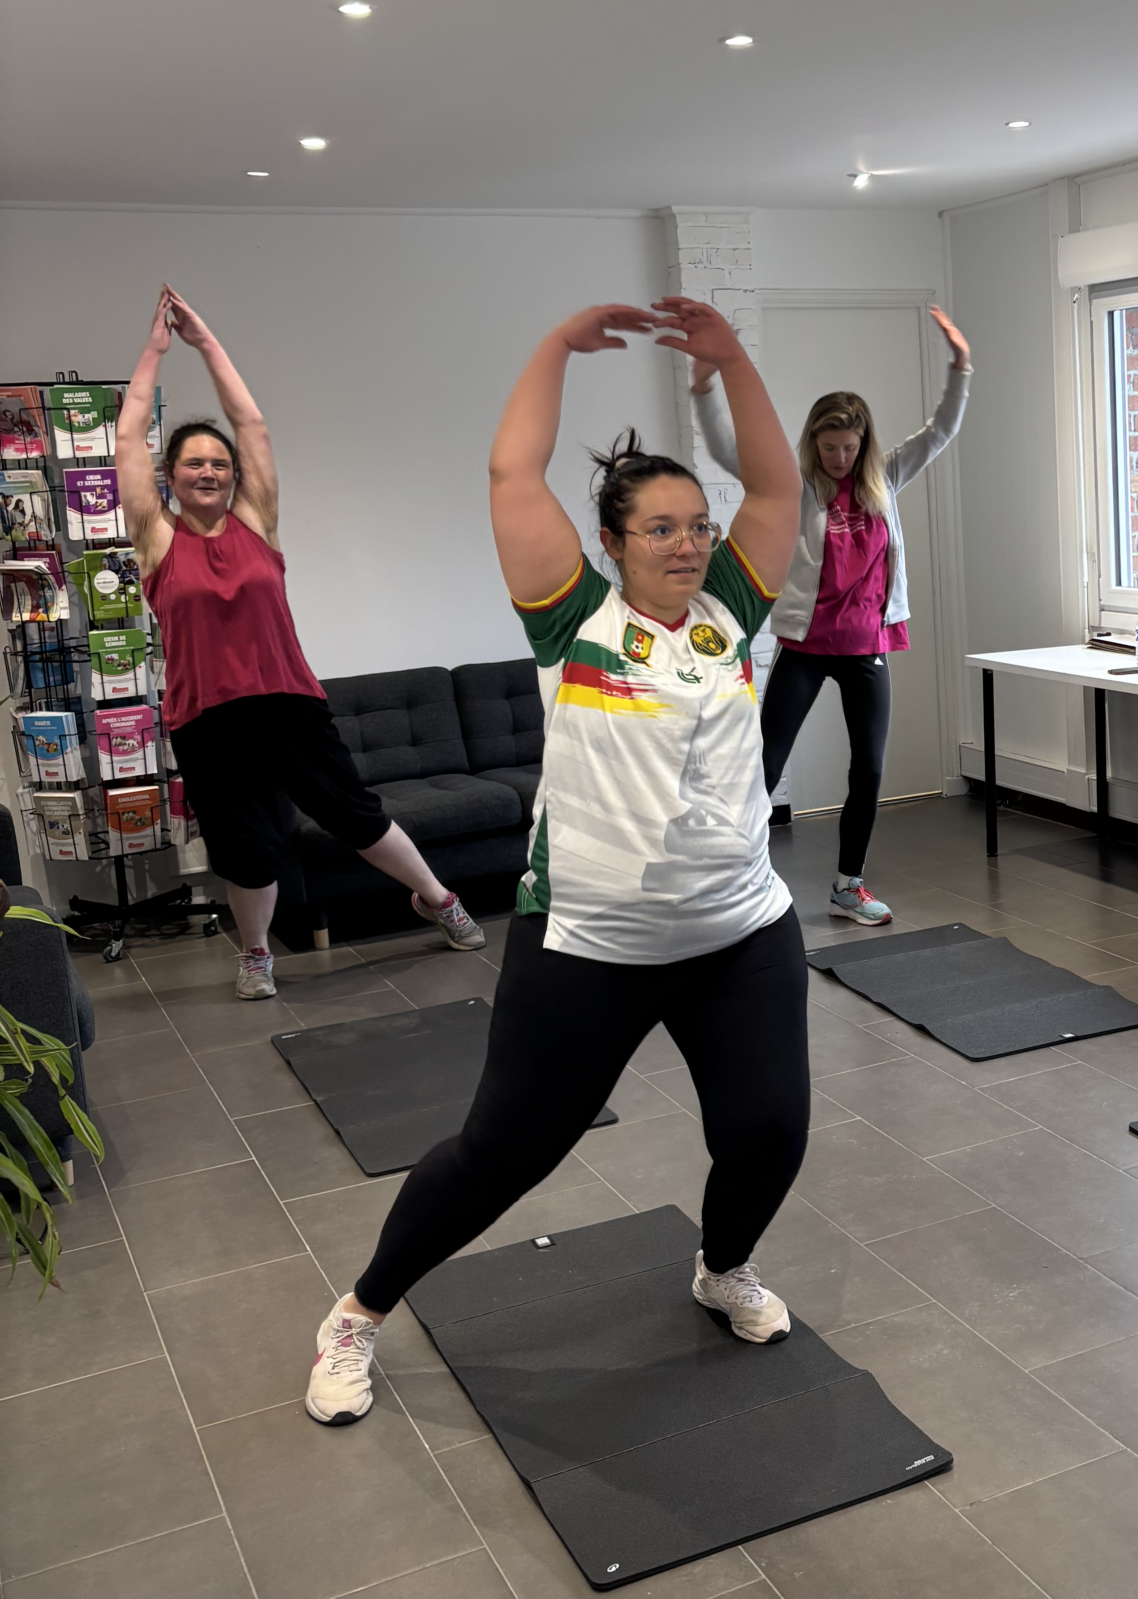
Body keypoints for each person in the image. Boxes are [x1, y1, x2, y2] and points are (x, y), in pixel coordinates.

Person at [305, 294, 808, 1425]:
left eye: (697, 526)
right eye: (661, 528)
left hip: (739, 931)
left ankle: (724, 1266)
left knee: (770, 1130)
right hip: (588, 940)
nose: (688, 544)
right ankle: (360, 1311)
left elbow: (778, 488)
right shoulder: (570, 620)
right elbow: (511, 476)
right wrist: (552, 350)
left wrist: (733, 361)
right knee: (506, 1151)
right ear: (613, 542)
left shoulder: (732, 611)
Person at [117, 290, 484, 1000]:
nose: (208, 472)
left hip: (287, 701)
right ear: (171, 477)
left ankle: (439, 899)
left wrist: (207, 343)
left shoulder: (257, 521)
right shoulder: (156, 539)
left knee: (356, 816)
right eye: (193, 464)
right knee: (248, 847)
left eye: (219, 464)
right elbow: (128, 442)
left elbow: (251, 423)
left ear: (234, 475)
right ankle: (256, 954)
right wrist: (154, 353)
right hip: (206, 718)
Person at [692, 307, 971, 926]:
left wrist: (960, 368)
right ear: (813, 444)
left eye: (849, 447)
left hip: (866, 648)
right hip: (806, 647)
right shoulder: (792, 485)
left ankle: (849, 887)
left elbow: (941, 431)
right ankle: (728, 880)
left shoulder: (886, 477)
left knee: (868, 770)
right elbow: (728, 450)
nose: (840, 457)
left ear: (863, 443)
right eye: (829, 447)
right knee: (765, 764)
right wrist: (705, 385)